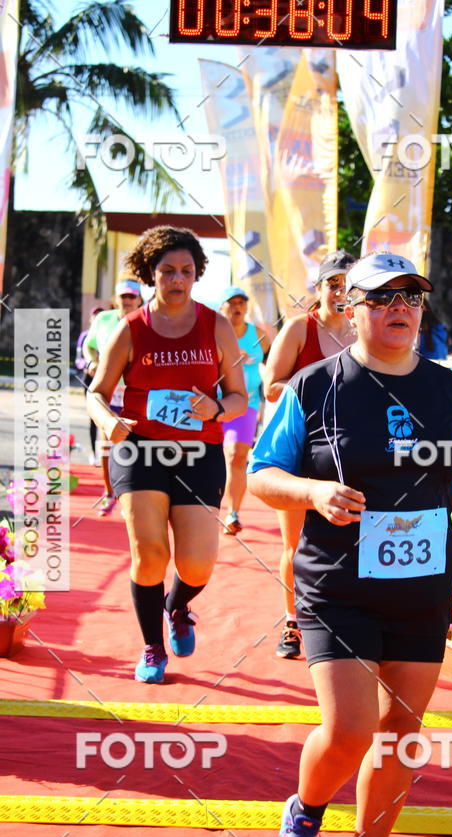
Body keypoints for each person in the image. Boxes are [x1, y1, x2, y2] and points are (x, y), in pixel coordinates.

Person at [248, 252, 452, 837]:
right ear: (351, 308)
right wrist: (311, 491)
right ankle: (305, 811)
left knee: (401, 736)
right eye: (382, 296)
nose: (400, 308)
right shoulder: (316, 385)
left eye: (411, 297)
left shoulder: (449, 389)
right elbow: (261, 473)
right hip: (336, 584)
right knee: (349, 730)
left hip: (421, 587)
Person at [87, 226, 247, 683]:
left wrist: (216, 408)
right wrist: (109, 422)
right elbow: (96, 393)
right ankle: (152, 647)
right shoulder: (130, 328)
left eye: (187, 271)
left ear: (197, 275)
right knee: (150, 553)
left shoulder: (214, 324)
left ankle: (177, 606)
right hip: (141, 452)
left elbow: (238, 398)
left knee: (197, 562)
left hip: (199, 454)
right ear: (150, 274)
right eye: (167, 271)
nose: (177, 279)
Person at [262, 249, 356, 660]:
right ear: (318, 290)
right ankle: (292, 622)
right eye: (332, 283)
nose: (340, 291)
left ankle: (345, 620)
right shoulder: (301, 328)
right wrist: (318, 391)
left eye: (347, 284)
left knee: (352, 541)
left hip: (353, 453)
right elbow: (270, 385)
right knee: (297, 545)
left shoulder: (364, 330)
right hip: (302, 452)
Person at [83, 278, 144, 514]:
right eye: (123, 297)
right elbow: (88, 344)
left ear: (139, 299)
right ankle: (109, 492)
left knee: (137, 442)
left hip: (135, 390)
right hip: (109, 389)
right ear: (115, 299)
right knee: (107, 441)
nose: (127, 301)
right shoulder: (103, 319)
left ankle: (133, 493)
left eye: (132, 297)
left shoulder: (147, 322)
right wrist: (93, 361)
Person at [218, 286, 270, 535]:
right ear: (221, 308)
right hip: (212, 405)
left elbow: (274, 363)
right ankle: (205, 508)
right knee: (210, 458)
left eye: (241, 302)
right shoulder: (213, 334)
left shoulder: (258, 335)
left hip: (245, 407)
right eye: (231, 303)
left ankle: (233, 513)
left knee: (236, 456)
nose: (236, 307)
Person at [75, 305, 103, 464]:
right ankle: (94, 453)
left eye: (100, 316)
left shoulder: (110, 333)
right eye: (95, 316)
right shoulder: (85, 336)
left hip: (107, 378)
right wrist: (89, 365)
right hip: (89, 378)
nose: (97, 319)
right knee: (93, 417)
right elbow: (79, 358)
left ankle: (110, 453)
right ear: (91, 319)